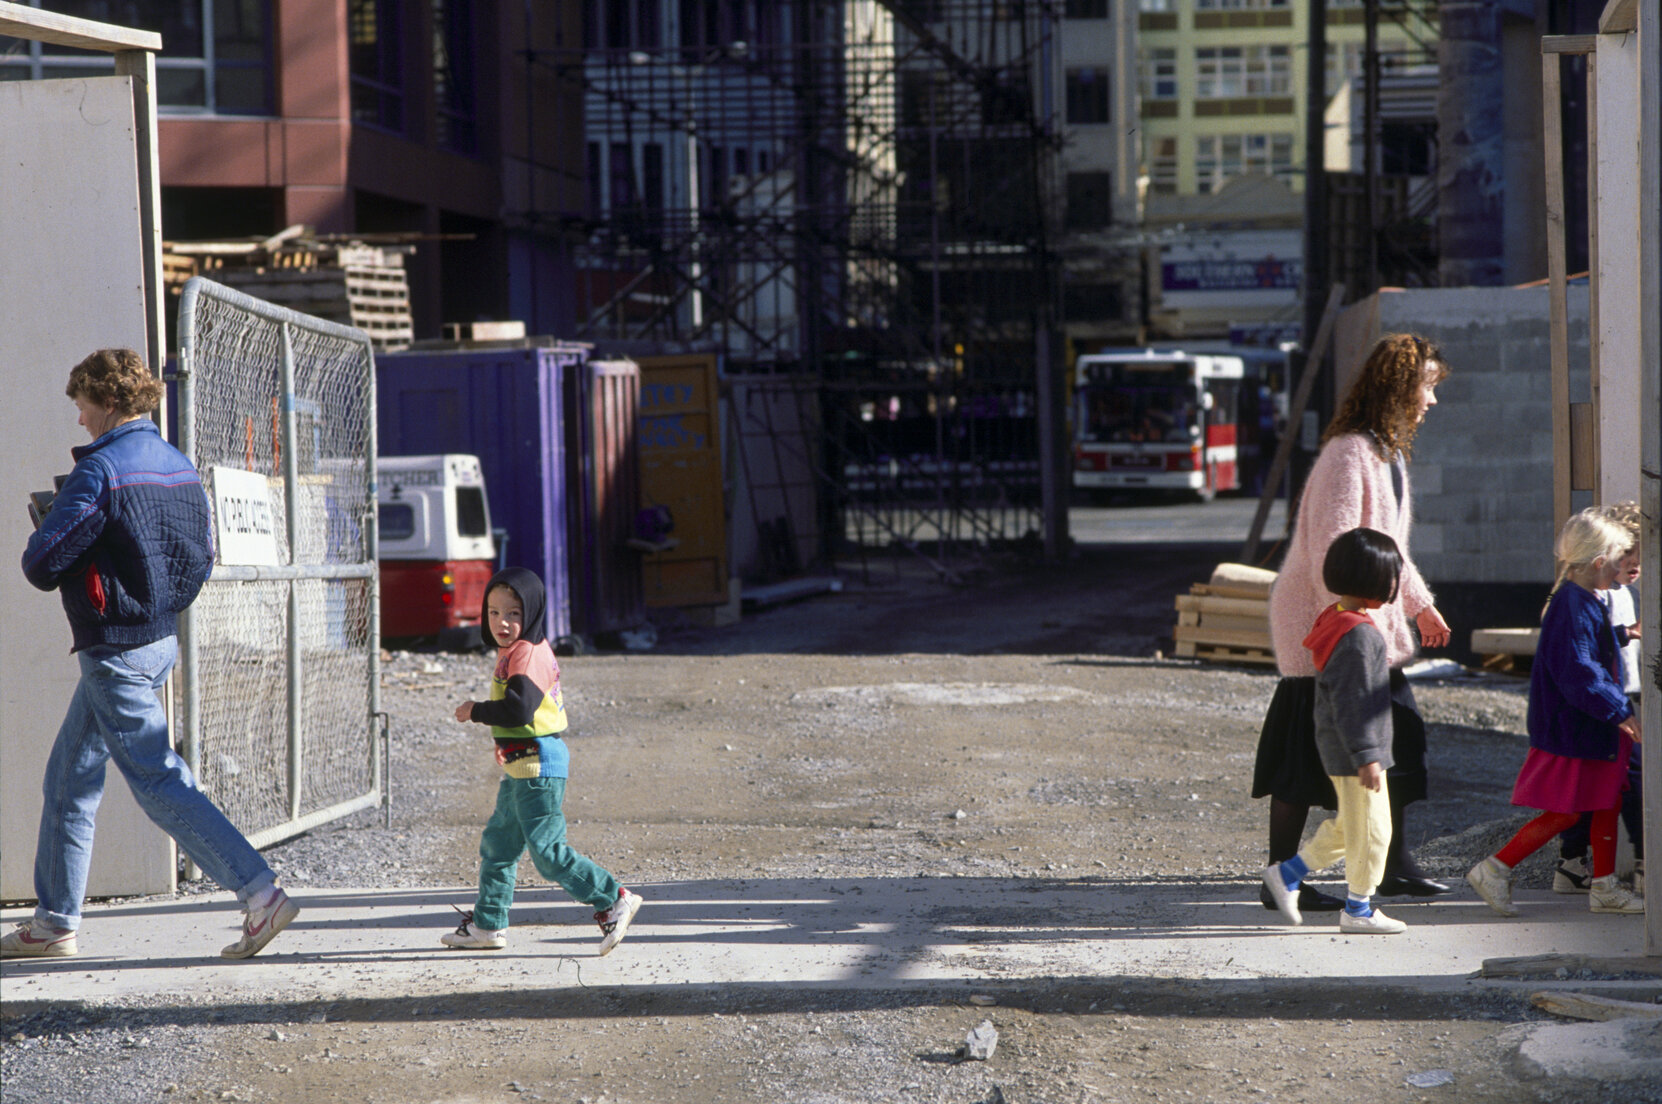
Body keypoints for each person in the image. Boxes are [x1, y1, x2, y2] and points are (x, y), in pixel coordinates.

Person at [4, 349, 298, 960]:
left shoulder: (100, 470)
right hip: (158, 639)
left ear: (107, 402)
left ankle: (261, 893)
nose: (79, 418)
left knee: (157, 779)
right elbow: (199, 557)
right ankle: (55, 922)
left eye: (82, 403)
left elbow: (41, 563)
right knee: (68, 778)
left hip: (115, 650)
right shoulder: (176, 463)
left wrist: (51, 520)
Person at [1253, 334, 1453, 915]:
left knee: (1400, 736)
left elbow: (1386, 549)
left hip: (1359, 619)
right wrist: (1345, 625)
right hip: (1328, 622)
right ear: (1398, 387)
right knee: (1301, 756)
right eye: (1427, 386)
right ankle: (1282, 877)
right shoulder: (1349, 454)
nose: (1431, 401)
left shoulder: (1384, 453)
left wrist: (1418, 604)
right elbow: (1335, 551)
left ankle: (1390, 867)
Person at [442, 567, 643, 953]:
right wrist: (503, 741)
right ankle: (487, 925)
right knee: (498, 847)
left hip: (538, 767)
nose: (502, 622)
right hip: (521, 765)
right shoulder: (513, 650)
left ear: (531, 613)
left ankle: (613, 898)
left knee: (548, 854)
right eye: (494, 612)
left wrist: (475, 710)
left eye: (514, 613)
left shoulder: (529, 653)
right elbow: (520, 719)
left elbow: (519, 710)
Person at [1467, 508, 1644, 917]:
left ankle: (1602, 886)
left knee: (1605, 801)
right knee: (1569, 810)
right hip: (1579, 725)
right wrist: (1619, 709)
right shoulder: (1575, 604)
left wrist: (1623, 633)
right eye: (1618, 561)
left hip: (1589, 722)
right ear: (1599, 563)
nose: (1622, 569)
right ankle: (1496, 867)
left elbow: (1583, 648)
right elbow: (1577, 669)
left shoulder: (1579, 597)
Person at [1263, 528, 1411, 934]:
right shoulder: (1359, 636)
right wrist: (1368, 755)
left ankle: (1287, 875)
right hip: (1357, 755)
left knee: (1350, 829)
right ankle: (1358, 910)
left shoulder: (1337, 620)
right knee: (1374, 832)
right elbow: (1353, 702)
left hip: (1348, 751)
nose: (1397, 584)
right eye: (1394, 577)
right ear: (1373, 581)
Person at [1554, 501, 1644, 897]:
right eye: (1627, 556)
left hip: (1615, 696)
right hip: (1606, 702)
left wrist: (1630, 634)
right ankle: (1641, 864)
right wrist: (1617, 708)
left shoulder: (1615, 592)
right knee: (1626, 782)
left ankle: (1581, 867)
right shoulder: (1587, 597)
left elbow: (1604, 642)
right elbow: (1584, 658)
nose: (1634, 564)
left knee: (1603, 789)